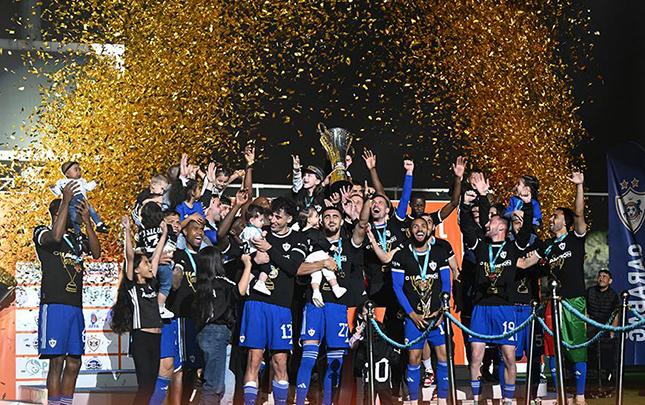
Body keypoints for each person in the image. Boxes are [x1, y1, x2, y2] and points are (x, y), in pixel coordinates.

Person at [459, 172, 535, 405]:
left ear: (500, 228)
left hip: (505, 307)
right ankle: (475, 399)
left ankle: (508, 400)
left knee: (509, 357)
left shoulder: (512, 247)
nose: (487, 223)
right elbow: (468, 226)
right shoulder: (481, 247)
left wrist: (528, 204)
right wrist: (475, 200)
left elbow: (526, 230)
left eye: (491, 222)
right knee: (475, 357)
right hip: (481, 307)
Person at [294, 194, 371, 405]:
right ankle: (299, 401)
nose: (331, 220)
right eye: (327, 216)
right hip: (314, 304)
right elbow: (297, 268)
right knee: (308, 358)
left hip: (338, 307)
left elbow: (362, 225)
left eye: (335, 216)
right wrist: (322, 264)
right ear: (321, 221)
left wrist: (367, 202)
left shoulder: (349, 244)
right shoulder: (311, 242)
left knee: (335, 362)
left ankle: (329, 402)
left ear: (341, 220)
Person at [522, 171, 589, 405]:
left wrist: (579, 186)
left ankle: (579, 395)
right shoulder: (547, 245)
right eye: (550, 216)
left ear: (566, 222)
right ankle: (560, 394)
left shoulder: (575, 238)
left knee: (576, 347)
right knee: (551, 348)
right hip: (552, 302)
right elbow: (525, 262)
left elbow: (579, 214)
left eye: (555, 216)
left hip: (574, 300)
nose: (551, 219)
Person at [34, 182, 101, 405]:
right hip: (54, 305)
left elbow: (97, 252)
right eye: (68, 211)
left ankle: (66, 403)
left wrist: (87, 222)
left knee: (74, 362)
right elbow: (55, 237)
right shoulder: (42, 232)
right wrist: (65, 200)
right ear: (58, 213)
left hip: (75, 306)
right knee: (57, 361)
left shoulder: (75, 239)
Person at [239, 197, 309, 405]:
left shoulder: (298, 238)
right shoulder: (260, 233)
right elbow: (245, 256)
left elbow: (293, 267)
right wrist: (253, 257)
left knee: (280, 361)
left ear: (289, 219)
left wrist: (269, 249)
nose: (273, 220)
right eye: (271, 216)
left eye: (278, 217)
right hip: (256, 303)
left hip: (281, 306)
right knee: (254, 358)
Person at [391, 217, 453, 405]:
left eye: (423, 226)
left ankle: (442, 400)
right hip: (413, 318)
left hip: (436, 317)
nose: (419, 229)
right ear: (409, 231)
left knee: (443, 356)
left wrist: (442, 309)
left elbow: (446, 283)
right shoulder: (401, 256)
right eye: (415, 226)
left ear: (429, 230)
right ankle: (413, 401)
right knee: (414, 358)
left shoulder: (439, 253)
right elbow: (397, 287)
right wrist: (411, 314)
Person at [111, 216, 168, 403]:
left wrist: (164, 234)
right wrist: (127, 231)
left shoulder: (152, 283)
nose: (150, 266)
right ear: (136, 270)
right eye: (145, 263)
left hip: (156, 339)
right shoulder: (131, 286)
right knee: (144, 387)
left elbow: (157, 256)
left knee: (151, 386)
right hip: (142, 339)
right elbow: (129, 256)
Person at [193, 247, 253, 405]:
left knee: (215, 381)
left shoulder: (201, 283)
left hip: (204, 333)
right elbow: (239, 291)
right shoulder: (221, 282)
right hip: (217, 333)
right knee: (214, 386)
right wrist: (248, 265)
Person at [136, 202, 175, 319]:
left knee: (149, 287)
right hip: (164, 263)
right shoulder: (166, 227)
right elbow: (172, 240)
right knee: (166, 285)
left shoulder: (140, 232)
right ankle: (160, 306)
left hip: (148, 264)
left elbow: (139, 249)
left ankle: (152, 305)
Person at [52, 161, 108, 235]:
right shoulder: (62, 182)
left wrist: (94, 182)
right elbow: (58, 192)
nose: (79, 172)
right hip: (71, 202)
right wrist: (53, 188)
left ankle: (99, 224)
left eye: (79, 169)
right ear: (67, 173)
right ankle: (78, 233)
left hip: (82, 200)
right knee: (74, 217)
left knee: (91, 211)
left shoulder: (81, 181)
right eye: (76, 170)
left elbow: (87, 187)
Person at [586, 269, 620, 385]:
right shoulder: (590, 291)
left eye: (604, 276)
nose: (601, 278)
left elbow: (615, 316)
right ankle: (588, 375)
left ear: (610, 281)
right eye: (600, 276)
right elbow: (584, 309)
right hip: (590, 325)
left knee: (608, 349)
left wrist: (612, 332)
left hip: (606, 327)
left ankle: (609, 375)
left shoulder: (614, 295)